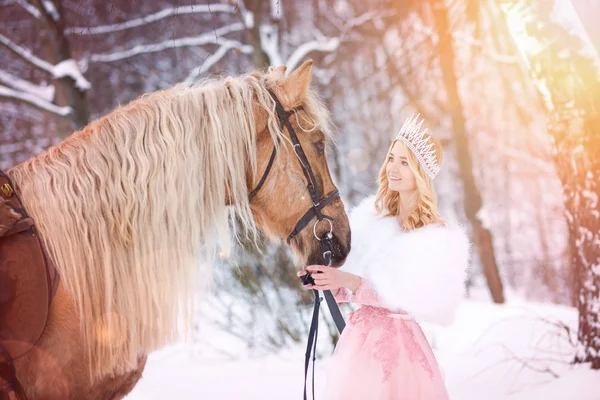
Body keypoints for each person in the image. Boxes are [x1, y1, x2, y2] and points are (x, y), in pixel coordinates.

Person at [298, 114, 471, 400]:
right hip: (360, 345)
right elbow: (350, 287)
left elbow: (408, 298)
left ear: (421, 173)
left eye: (405, 162)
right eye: (392, 157)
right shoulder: (372, 219)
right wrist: (325, 279)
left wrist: (350, 281)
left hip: (401, 351)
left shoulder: (435, 235)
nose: (393, 167)